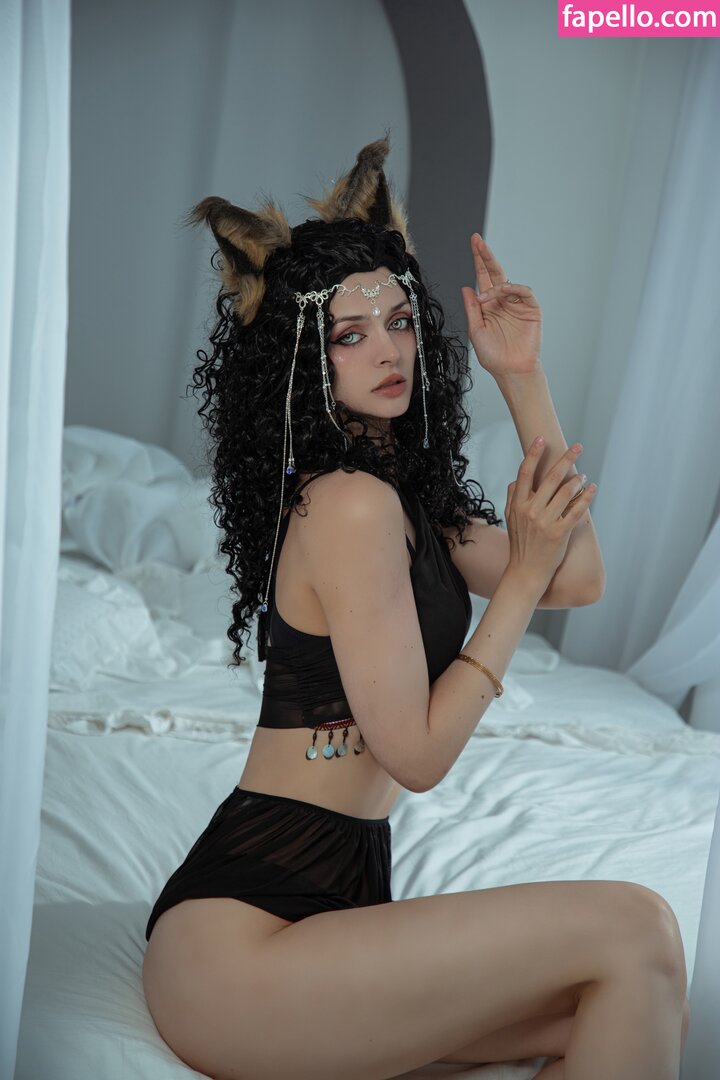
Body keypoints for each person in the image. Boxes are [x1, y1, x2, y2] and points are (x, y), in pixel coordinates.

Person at [141, 136, 690, 1080]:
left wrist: (522, 376)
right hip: (243, 944)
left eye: (397, 322)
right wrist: (518, 583)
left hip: (333, 908)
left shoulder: (402, 497)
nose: (388, 349)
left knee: (620, 998)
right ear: (301, 359)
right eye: (350, 335)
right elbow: (420, 756)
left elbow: (578, 575)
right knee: (636, 928)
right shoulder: (346, 505)